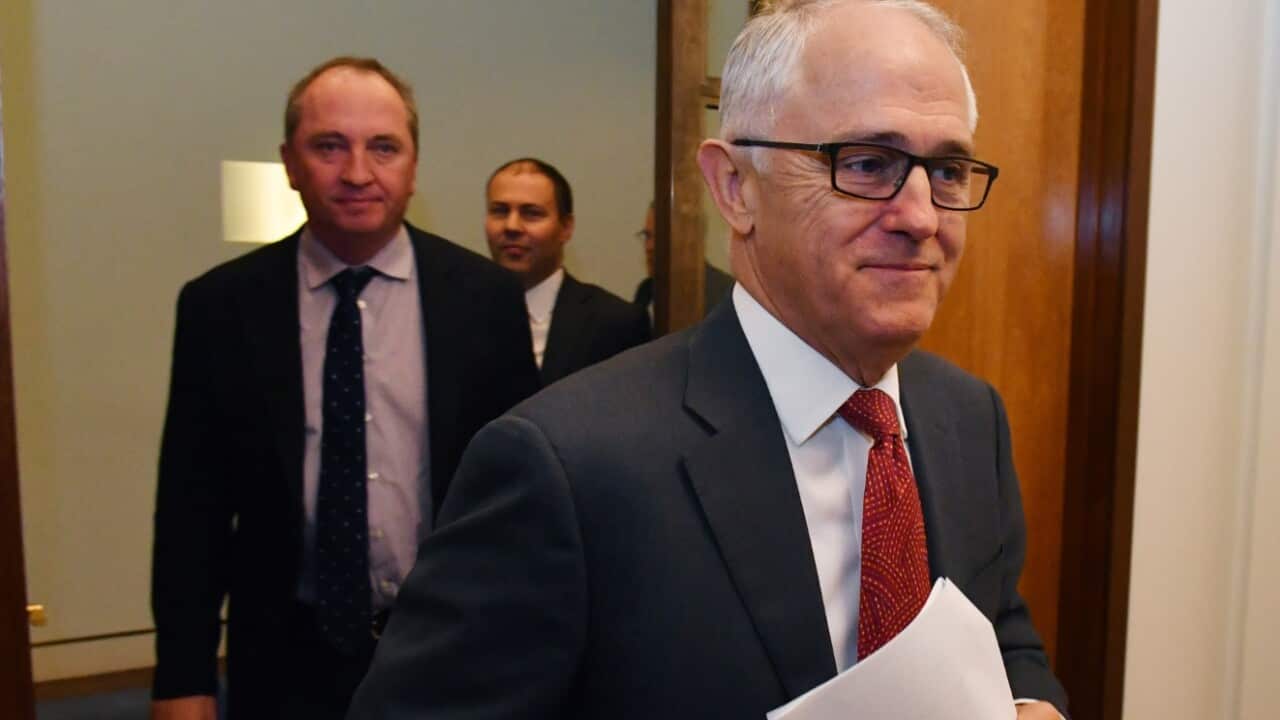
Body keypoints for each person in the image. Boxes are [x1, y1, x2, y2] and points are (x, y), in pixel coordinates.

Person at [349, 1, 1068, 718]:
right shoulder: (566, 468)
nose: (920, 217)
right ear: (735, 187)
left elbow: (1001, 631)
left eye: (946, 171)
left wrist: (1034, 700)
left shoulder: (969, 420)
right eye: (869, 164)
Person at [150, 57, 540, 720]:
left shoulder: (486, 301)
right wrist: (181, 678)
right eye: (329, 146)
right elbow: (192, 509)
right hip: (282, 661)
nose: (358, 172)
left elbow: (521, 498)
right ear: (290, 162)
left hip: (452, 651)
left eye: (383, 147)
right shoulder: (221, 307)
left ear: (414, 164)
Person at [484, 158, 650, 385]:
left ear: (566, 228)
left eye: (531, 213)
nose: (511, 226)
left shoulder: (615, 323)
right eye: (500, 211)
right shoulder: (456, 313)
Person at [631, 202, 734, 320]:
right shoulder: (646, 291)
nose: (649, 247)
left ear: (691, 242)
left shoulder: (724, 294)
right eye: (647, 236)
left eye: (660, 237)